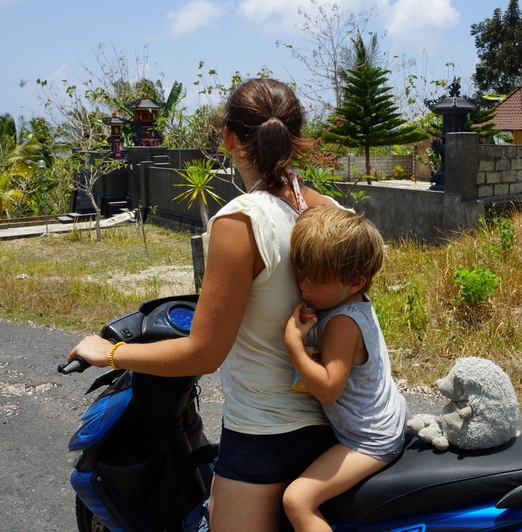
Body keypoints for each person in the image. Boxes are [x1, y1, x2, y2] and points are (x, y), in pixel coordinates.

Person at [67, 78, 340, 531]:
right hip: (338, 426)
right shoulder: (331, 211)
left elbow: (204, 353)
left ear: (228, 138)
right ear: (297, 137)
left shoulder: (240, 221)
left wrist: (110, 353)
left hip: (267, 434)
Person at [283, 206, 411, 532]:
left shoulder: (341, 322)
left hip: (370, 440)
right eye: (301, 273)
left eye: (317, 280)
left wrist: (294, 345)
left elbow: (328, 390)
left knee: (297, 500)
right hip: (386, 418)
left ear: (355, 282)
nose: (304, 286)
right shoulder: (352, 303)